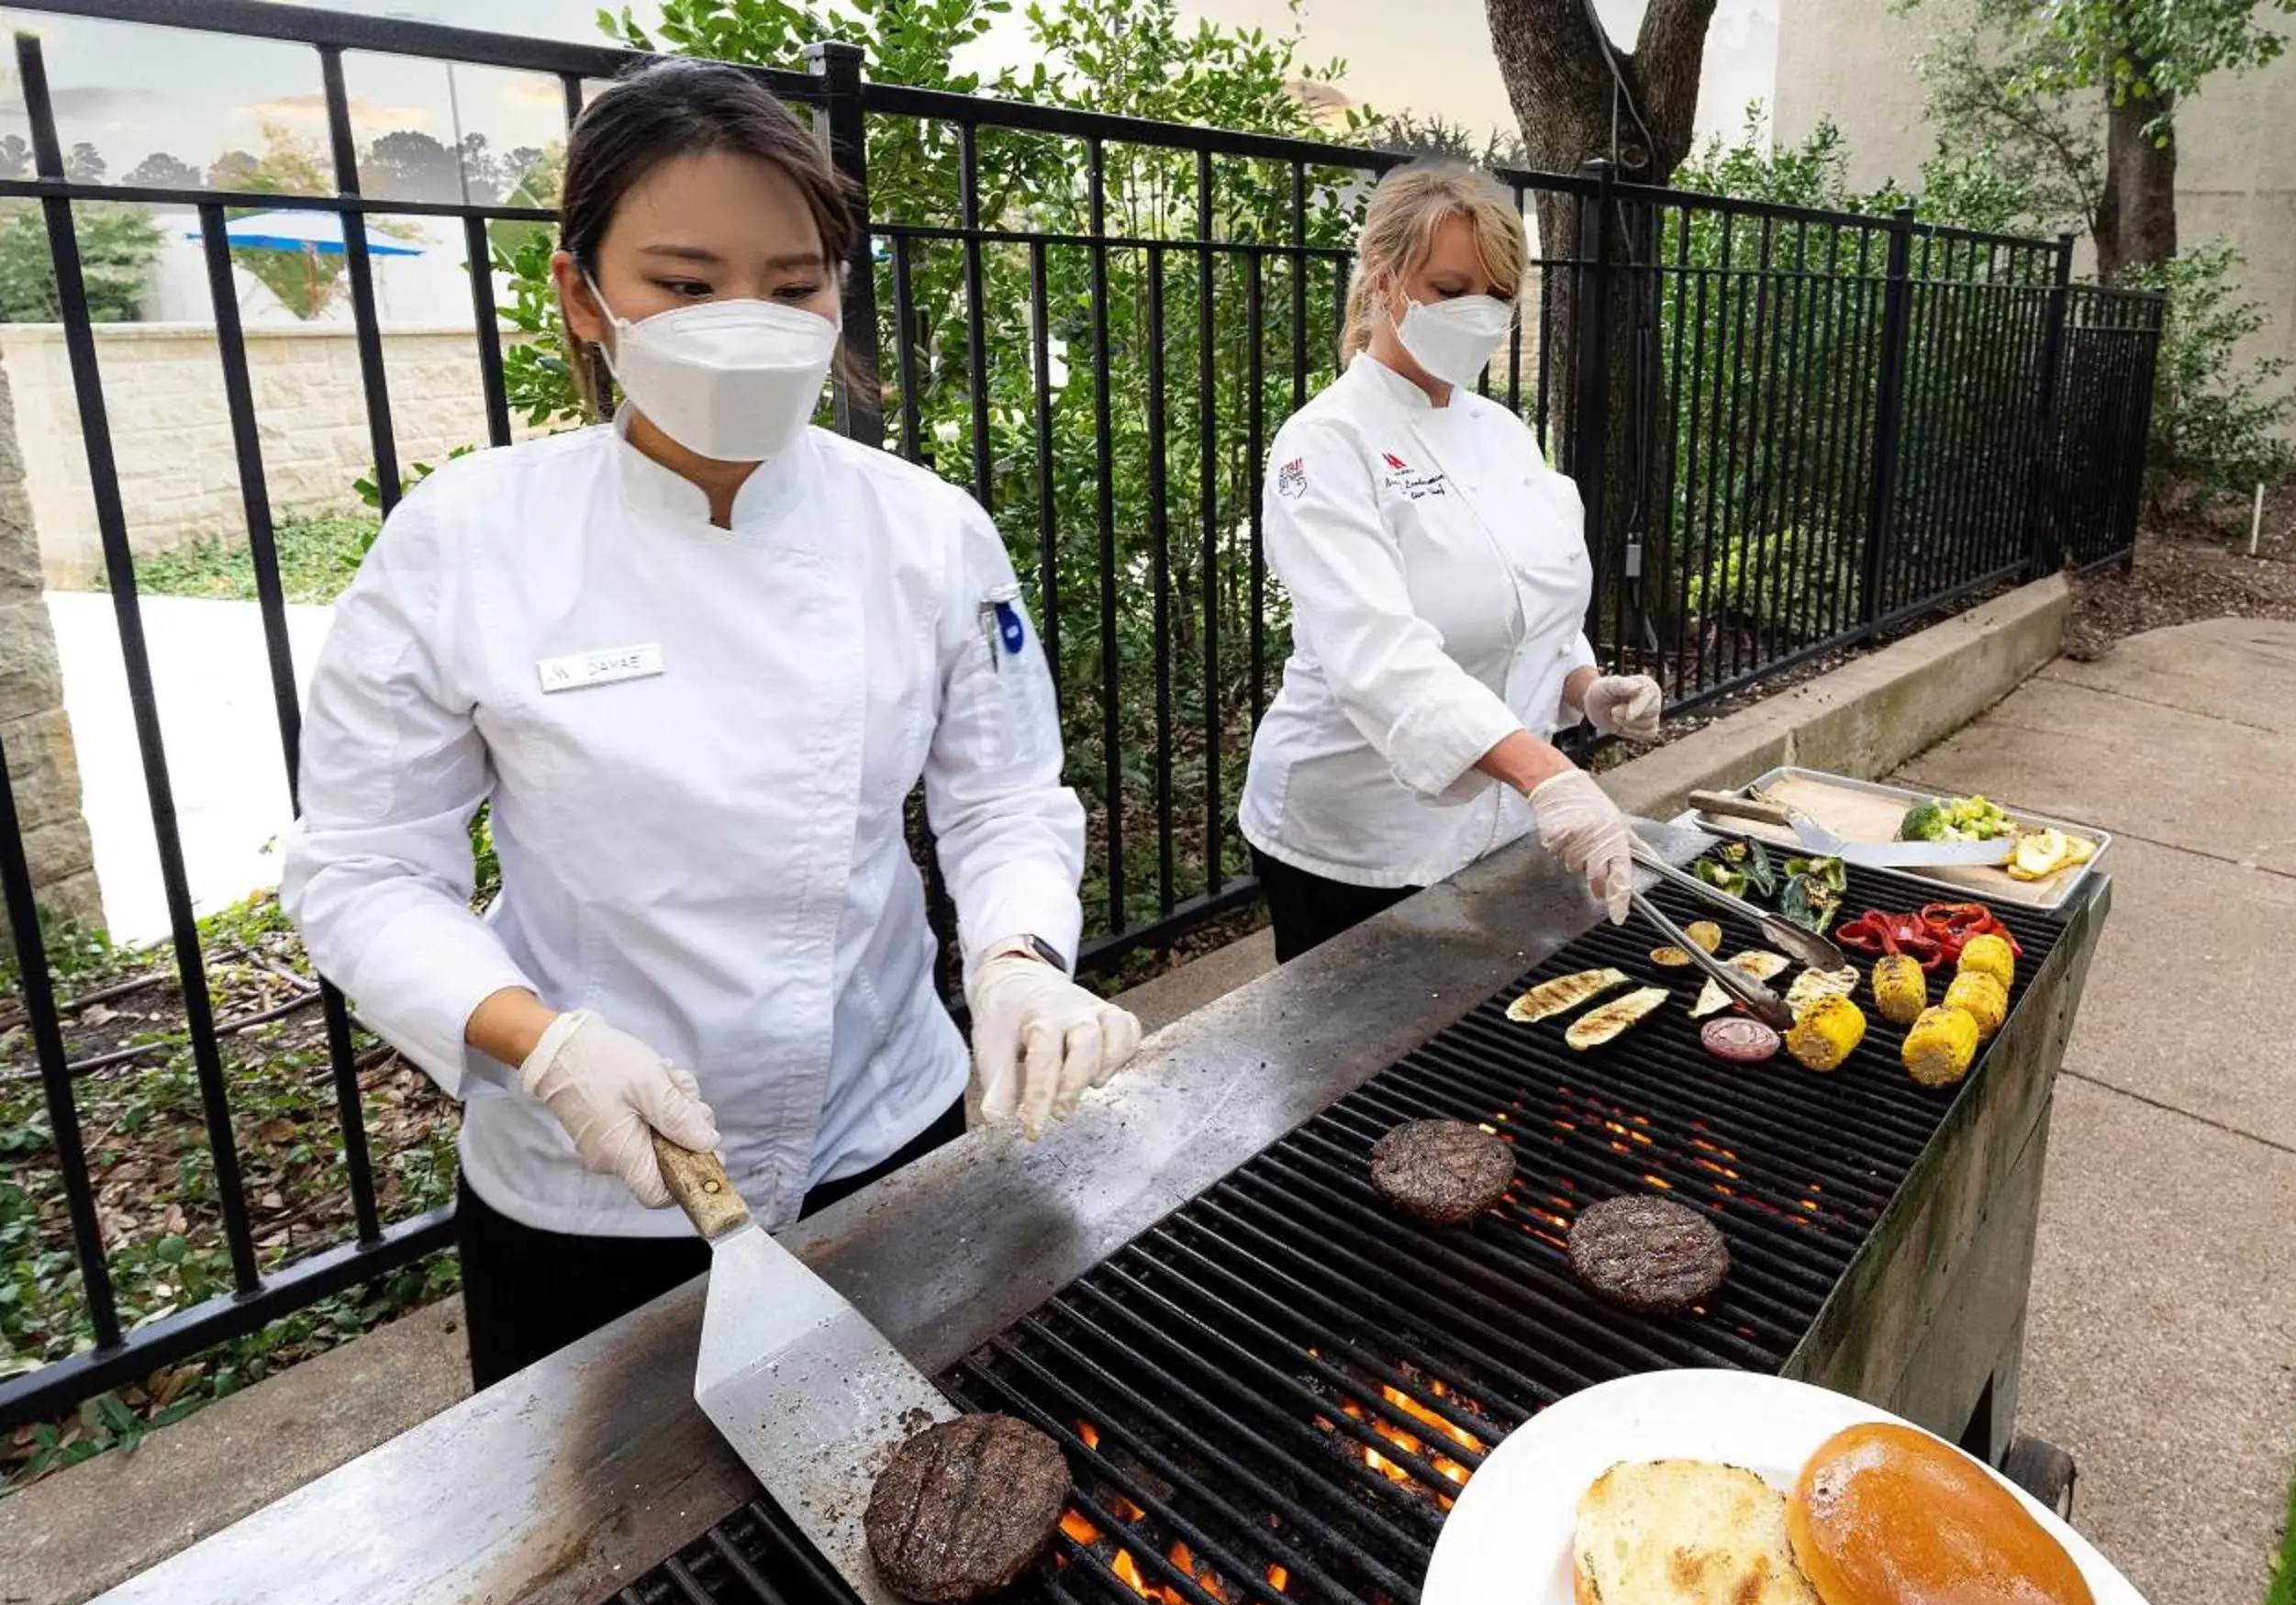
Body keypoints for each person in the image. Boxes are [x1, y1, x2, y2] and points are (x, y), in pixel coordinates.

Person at [282, 59, 1139, 1389]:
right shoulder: (467, 542)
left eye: (793, 285)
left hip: (886, 1129)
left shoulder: (925, 531)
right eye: (684, 285)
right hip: (594, 1186)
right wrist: (540, 1043)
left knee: (922, 1486)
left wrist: (1020, 960)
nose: (747, 321)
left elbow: (1004, 798)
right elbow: (363, 865)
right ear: (583, 296)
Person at [1236, 163, 1665, 964]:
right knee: (1362, 1075)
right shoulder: (1325, 443)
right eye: (1449, 285)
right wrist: (1548, 773)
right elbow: (1377, 656)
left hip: (1492, 823)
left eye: (1498, 294)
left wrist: (1584, 688)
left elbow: (1527, 603)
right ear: (1383, 279)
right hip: (1357, 836)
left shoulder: (1502, 431)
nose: (1479, 312)